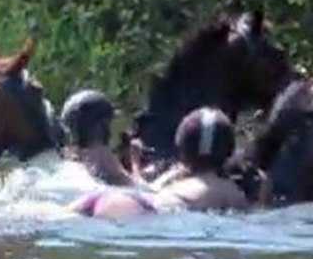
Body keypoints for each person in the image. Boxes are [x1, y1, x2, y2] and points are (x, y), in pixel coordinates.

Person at [69, 107, 253, 219]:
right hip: (146, 211)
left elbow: (144, 189)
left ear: (183, 148)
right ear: (228, 150)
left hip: (109, 197)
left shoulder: (175, 180)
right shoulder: (230, 192)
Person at [59, 89, 145, 187]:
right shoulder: (102, 155)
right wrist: (135, 161)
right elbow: (140, 190)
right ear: (103, 124)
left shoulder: (67, 160)